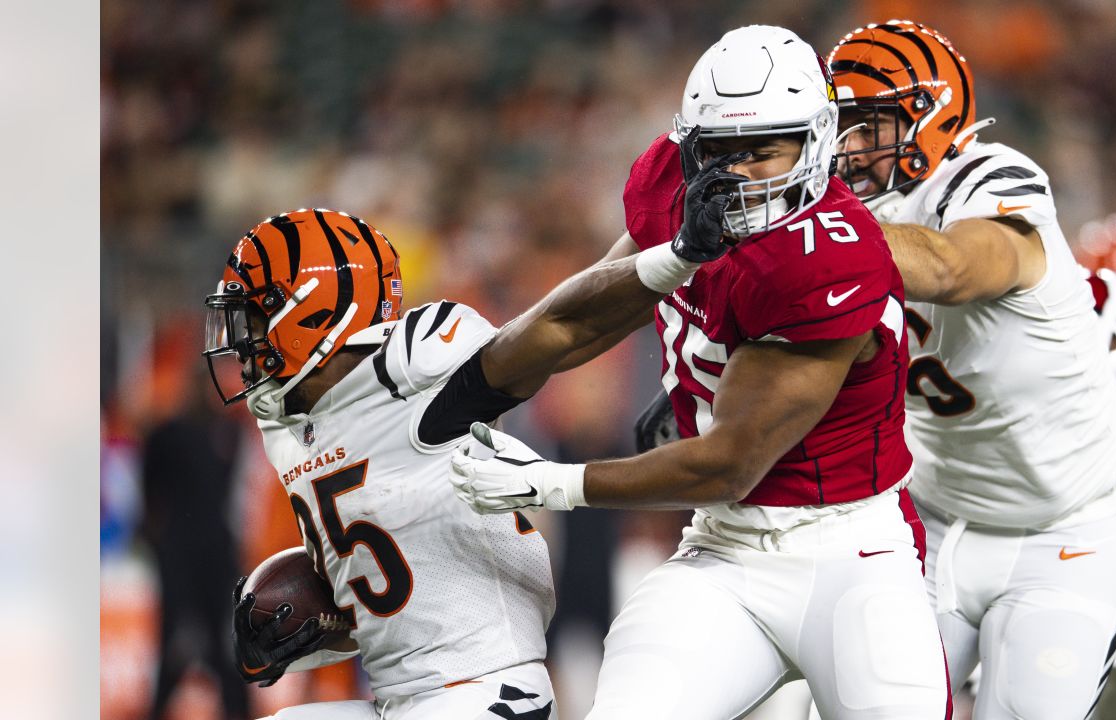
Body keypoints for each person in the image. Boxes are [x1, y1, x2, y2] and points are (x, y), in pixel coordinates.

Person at [449, 25, 951, 720]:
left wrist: (553, 484)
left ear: (816, 141)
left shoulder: (832, 252)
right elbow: (589, 312)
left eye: (762, 150)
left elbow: (729, 462)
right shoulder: (673, 183)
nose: (735, 173)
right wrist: (467, 385)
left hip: (852, 554)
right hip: (724, 549)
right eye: (717, 152)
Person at [203, 200, 739, 719]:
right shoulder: (290, 422)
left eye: (254, 317)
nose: (242, 343)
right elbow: (398, 590)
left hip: (483, 693)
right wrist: (311, 624)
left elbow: (564, 326)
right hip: (402, 698)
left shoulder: (413, 376)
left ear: (312, 311)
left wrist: (676, 256)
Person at [825, 19, 1116, 720]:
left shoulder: (993, 178)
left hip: (1069, 525)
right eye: (842, 125)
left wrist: (807, 236)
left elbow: (951, 268)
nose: (849, 146)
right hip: (932, 518)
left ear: (930, 119)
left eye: (871, 124)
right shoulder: (838, 210)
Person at [141, 362, 249, 720]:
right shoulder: (169, 433)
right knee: (178, 640)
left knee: (225, 645)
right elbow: (149, 492)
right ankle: (161, 710)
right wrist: (159, 542)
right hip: (183, 554)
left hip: (214, 553)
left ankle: (237, 711)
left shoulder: (228, 433)